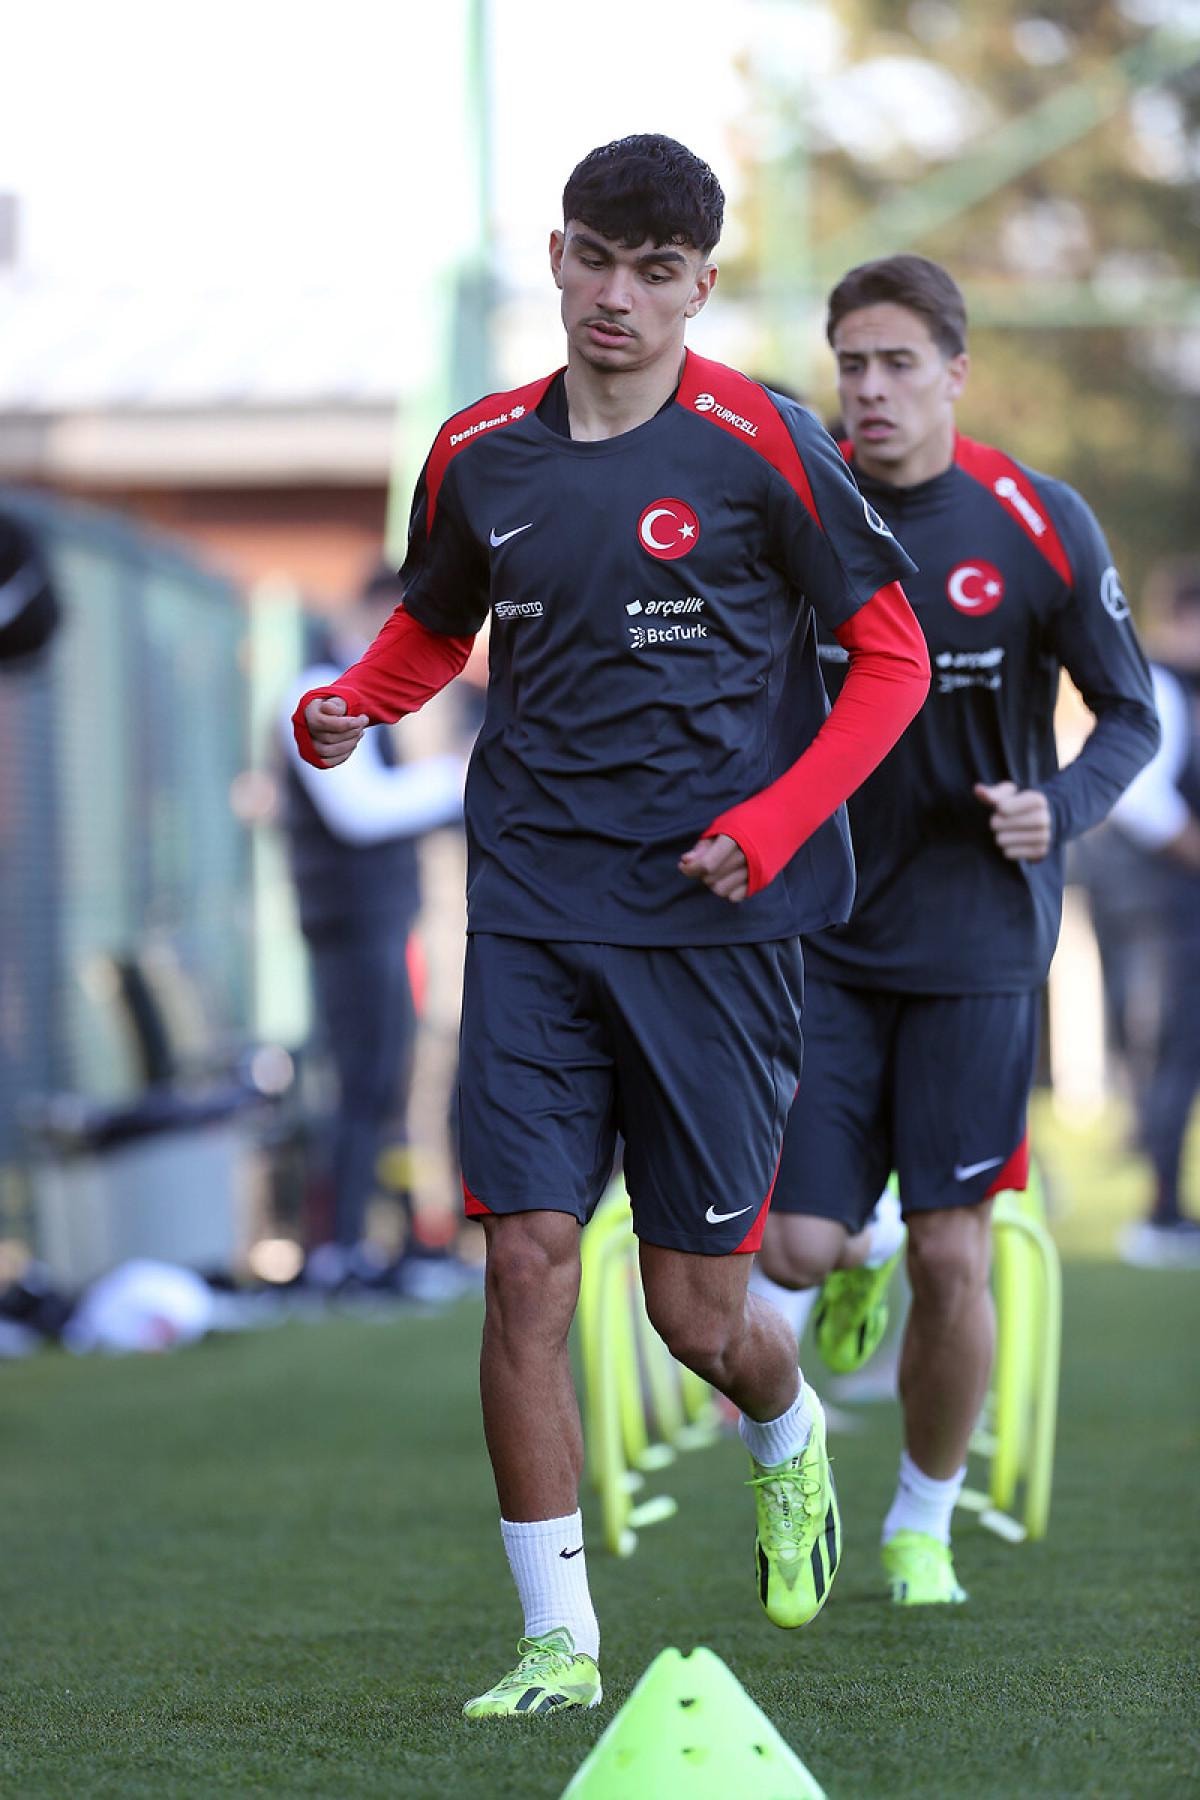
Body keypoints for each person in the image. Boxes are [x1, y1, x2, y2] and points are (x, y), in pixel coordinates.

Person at [292, 135, 930, 1716]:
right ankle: (558, 1645)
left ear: (700, 285)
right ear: (558, 259)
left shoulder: (762, 442)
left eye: (656, 272)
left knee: (695, 1315)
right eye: (595, 259)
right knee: (524, 1263)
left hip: (714, 934)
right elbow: (437, 620)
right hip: (528, 910)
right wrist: (353, 703)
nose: (618, 297)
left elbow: (891, 658)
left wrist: (773, 824)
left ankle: (784, 1429)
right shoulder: (477, 451)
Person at [752, 253, 1161, 1607]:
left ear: (955, 375)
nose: (869, 390)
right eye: (851, 365)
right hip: (824, 933)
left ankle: (919, 1525)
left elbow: (1132, 715)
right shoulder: (802, 512)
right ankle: (847, 1258)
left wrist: (1062, 806)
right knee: (793, 1249)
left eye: (897, 364)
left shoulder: (1035, 521)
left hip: (981, 942)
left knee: (952, 1249)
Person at [281, 560, 465, 1286]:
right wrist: (455, 778)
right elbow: (359, 811)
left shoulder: (350, 695)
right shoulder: (313, 691)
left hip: (380, 917)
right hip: (347, 920)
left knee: (382, 1081)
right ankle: (336, 1249)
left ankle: (368, 1246)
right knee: (359, 1083)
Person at [1104, 559, 1200, 1267]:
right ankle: (1161, 1212)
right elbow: (1141, 797)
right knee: (1167, 1049)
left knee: (1158, 1048)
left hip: (1149, 899)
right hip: (1157, 901)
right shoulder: (1161, 683)